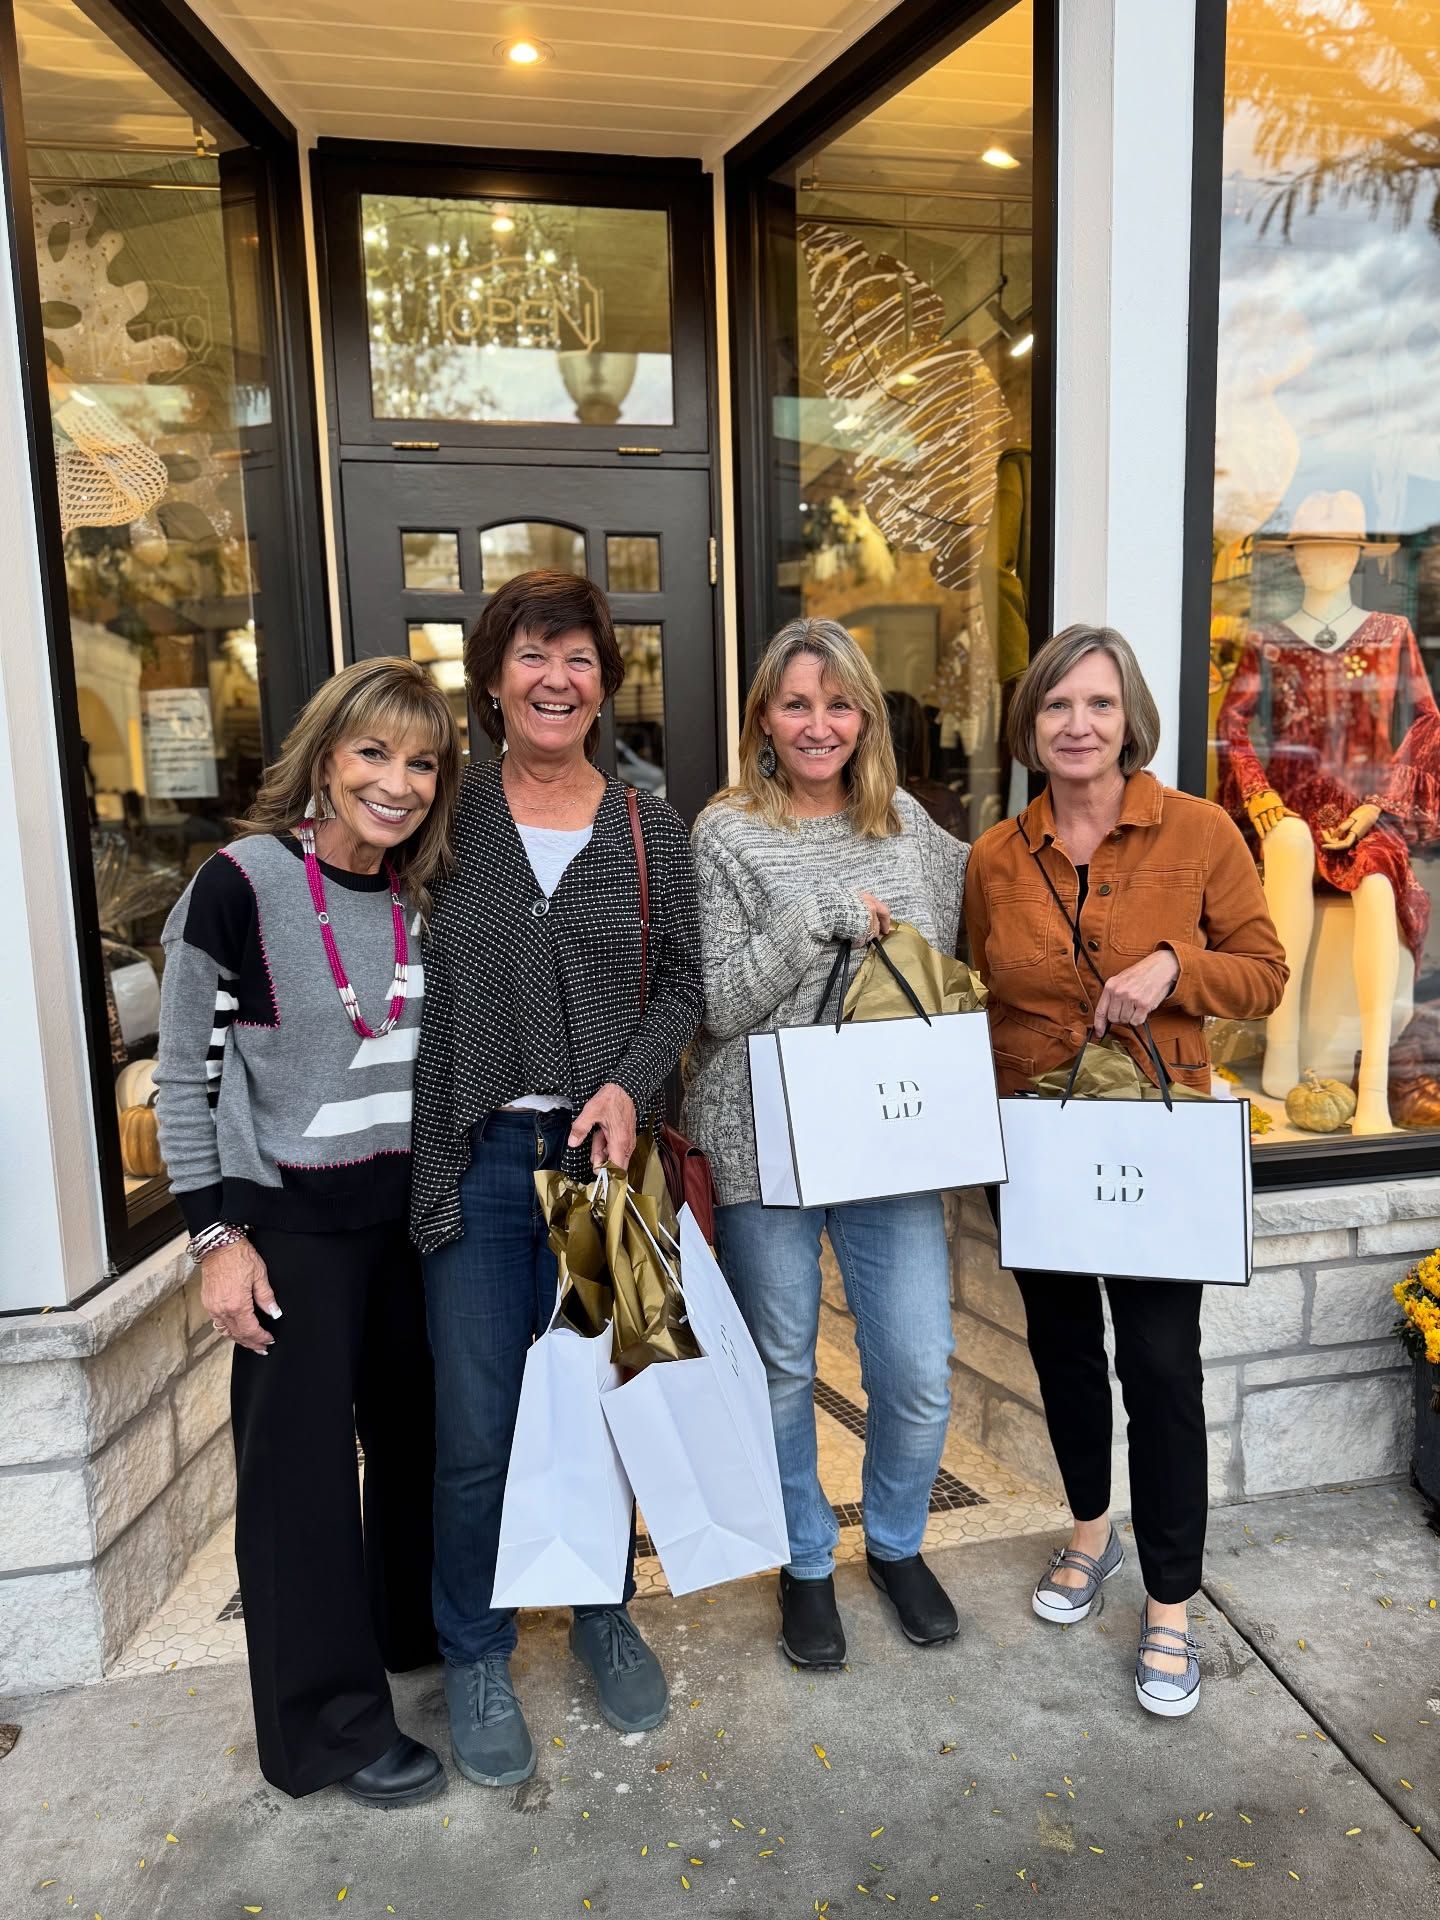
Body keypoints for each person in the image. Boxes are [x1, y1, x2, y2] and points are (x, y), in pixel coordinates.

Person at [411, 569, 703, 1790]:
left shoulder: (648, 824)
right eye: (533, 655)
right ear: (490, 680)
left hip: (606, 1169)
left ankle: (598, 1612)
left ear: (603, 683)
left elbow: (682, 982)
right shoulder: (441, 815)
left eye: (579, 658)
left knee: (603, 1407)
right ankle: (474, 1649)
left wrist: (632, 1085)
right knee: (476, 1427)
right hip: (475, 1160)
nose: (555, 678)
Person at [154, 657, 462, 1804]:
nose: (397, 782)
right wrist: (214, 1238)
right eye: (374, 753)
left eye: (422, 762)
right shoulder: (237, 883)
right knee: (301, 1485)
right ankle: (325, 1728)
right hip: (288, 1229)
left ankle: (403, 1639)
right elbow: (182, 1077)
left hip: (409, 1222)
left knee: (419, 1445)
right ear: (326, 755)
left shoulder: (430, 896)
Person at [965, 624, 1287, 1718]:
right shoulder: (997, 855)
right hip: (1042, 1146)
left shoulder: (1199, 834)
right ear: (1031, 724)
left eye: (1098, 705)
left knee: (1158, 1368)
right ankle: (1089, 1532)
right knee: (1060, 1350)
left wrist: (1171, 965)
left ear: (1129, 718)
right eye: (1057, 707)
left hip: (1153, 1143)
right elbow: (984, 996)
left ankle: (1169, 1606)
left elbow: (1265, 975)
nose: (1078, 725)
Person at [683, 616, 968, 1669]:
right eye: (795, 704)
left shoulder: (916, 833)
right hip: (764, 1134)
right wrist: (820, 919)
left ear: (865, 716)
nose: (818, 724)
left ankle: (894, 1542)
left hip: (888, 1131)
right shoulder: (724, 832)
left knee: (916, 1367)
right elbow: (715, 1004)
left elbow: (970, 952)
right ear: (764, 715)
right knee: (782, 1367)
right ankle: (807, 1559)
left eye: (838, 703)